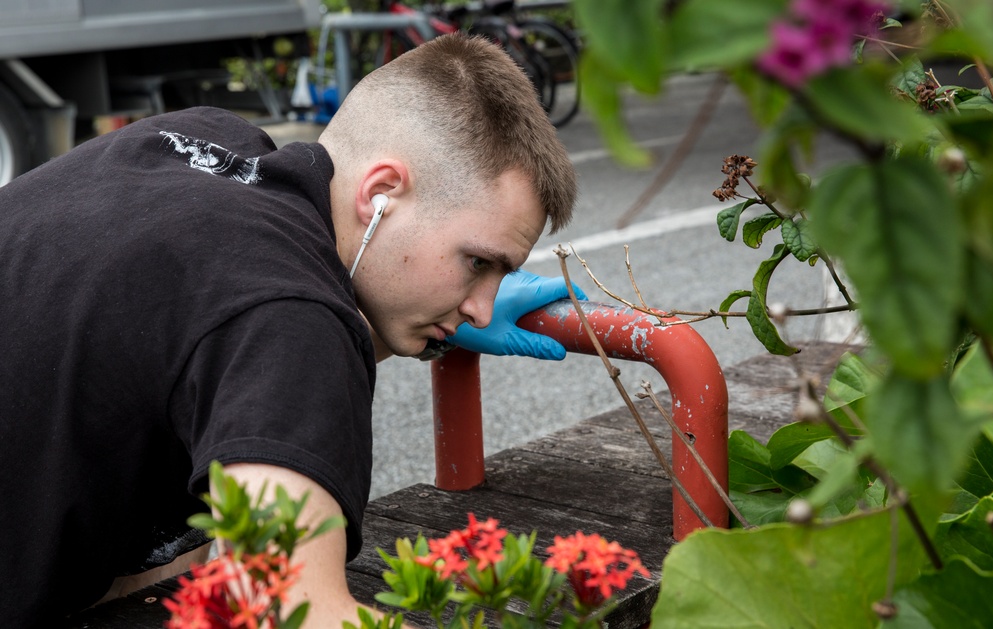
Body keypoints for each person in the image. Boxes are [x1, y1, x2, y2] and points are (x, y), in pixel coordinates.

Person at [0, 33, 580, 627]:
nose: (482, 309)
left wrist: (415, 321)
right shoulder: (289, 318)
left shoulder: (200, 142)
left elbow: (237, 340)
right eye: (477, 262)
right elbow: (288, 610)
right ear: (381, 194)